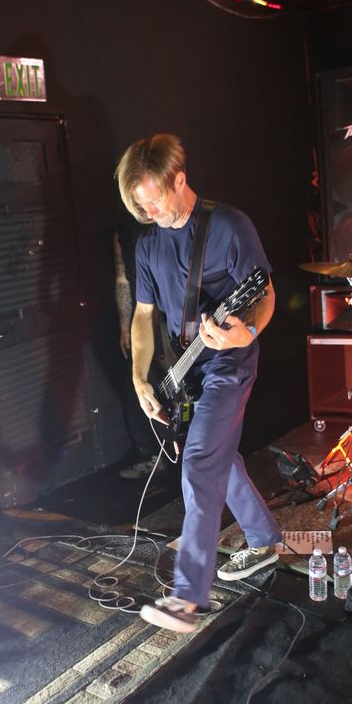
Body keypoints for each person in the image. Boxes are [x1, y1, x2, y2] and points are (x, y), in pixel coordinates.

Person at [115, 133, 281, 633]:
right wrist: (139, 376)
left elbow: (265, 294)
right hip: (183, 369)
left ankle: (188, 596)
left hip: (229, 362)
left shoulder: (228, 227)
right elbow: (143, 316)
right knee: (219, 456)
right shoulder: (147, 244)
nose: (148, 213)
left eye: (153, 201)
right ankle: (263, 538)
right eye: (139, 206)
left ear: (179, 180)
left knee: (200, 460)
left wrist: (246, 331)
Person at [113, 217, 167, 478]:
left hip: (169, 318)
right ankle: (153, 455)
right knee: (140, 386)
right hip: (141, 319)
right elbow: (122, 280)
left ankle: (184, 452)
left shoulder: (167, 224)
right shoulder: (123, 233)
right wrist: (125, 326)